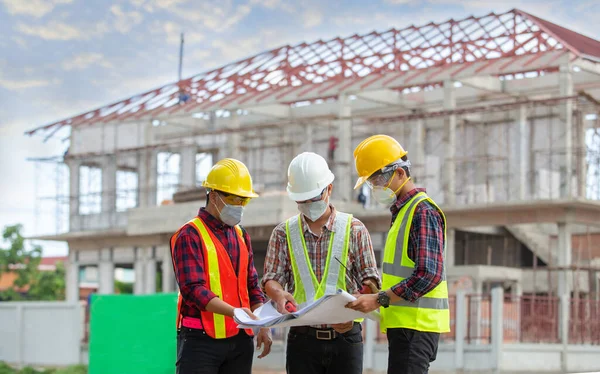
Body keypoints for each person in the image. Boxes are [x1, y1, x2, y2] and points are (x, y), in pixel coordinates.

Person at [262, 151, 381, 374]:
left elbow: (370, 281)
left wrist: (352, 314)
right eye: (302, 200)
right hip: (302, 340)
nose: (308, 205)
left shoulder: (354, 229)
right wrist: (278, 294)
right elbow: (271, 278)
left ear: (329, 189)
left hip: (346, 339)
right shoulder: (282, 233)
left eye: (313, 198)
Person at [346, 135, 450, 374]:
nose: (376, 187)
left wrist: (379, 299)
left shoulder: (422, 212)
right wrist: (375, 291)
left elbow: (428, 274)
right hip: (405, 327)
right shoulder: (403, 213)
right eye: (372, 182)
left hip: (416, 327)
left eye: (379, 178)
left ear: (401, 173)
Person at [170, 158, 272, 374]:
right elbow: (193, 290)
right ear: (214, 196)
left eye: (244, 201)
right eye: (235, 199)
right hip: (201, 342)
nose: (240, 206)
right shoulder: (190, 235)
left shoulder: (241, 235)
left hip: (240, 342)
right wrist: (234, 312)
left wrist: (263, 323)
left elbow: (252, 285)